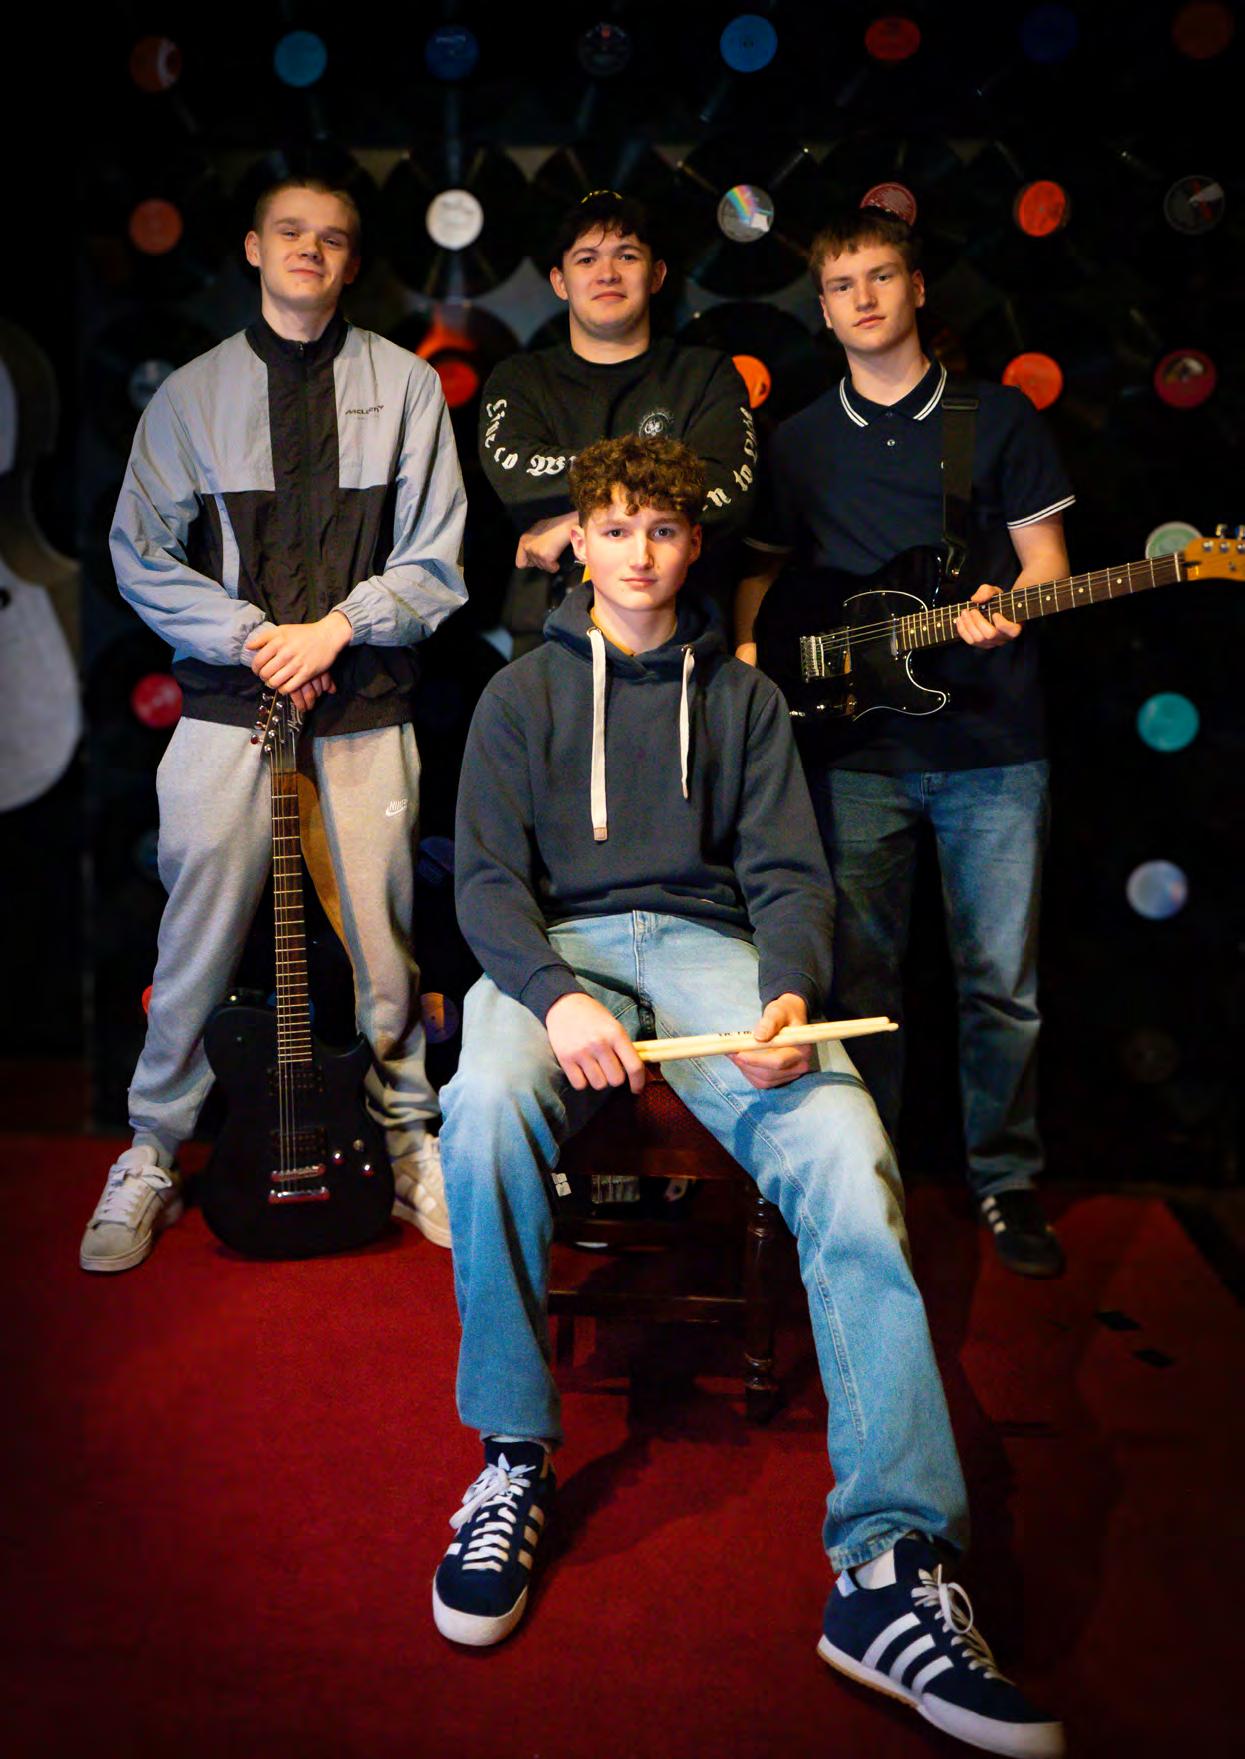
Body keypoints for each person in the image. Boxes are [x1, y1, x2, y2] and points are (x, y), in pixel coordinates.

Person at [430, 434, 1064, 1759]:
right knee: (480, 1102)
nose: (639, 554)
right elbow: (483, 880)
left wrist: (785, 993)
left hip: (712, 948)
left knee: (845, 1141)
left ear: (692, 544)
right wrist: (551, 994)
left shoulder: (745, 696)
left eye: (662, 530)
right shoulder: (517, 694)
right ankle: (511, 1455)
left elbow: (788, 876)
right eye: (615, 529)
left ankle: (889, 1561)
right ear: (579, 543)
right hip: (561, 951)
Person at [79, 176, 467, 1272]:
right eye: (291, 233)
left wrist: (335, 630)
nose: (311, 250)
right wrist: (259, 638)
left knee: (386, 944)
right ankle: (153, 1149)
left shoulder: (407, 386)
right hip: (226, 708)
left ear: (353, 262)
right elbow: (138, 556)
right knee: (194, 938)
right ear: (253, 248)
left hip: (365, 706)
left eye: (332, 239)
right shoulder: (191, 395)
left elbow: (436, 558)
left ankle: (405, 1141)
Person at [736, 207, 1073, 1278]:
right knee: (858, 988)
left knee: (1001, 984)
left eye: (882, 277)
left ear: (917, 288)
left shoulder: (996, 416)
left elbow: (1049, 561)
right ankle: (864, 1174)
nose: (865, 299)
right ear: (822, 307)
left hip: (994, 744)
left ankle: (1005, 1179)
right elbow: (763, 569)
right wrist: (750, 651)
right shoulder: (797, 440)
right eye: (843, 285)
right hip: (854, 754)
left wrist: (1011, 605)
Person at [478, 190, 757, 653]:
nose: (607, 273)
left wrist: (576, 519)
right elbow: (517, 479)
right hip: (548, 640)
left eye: (626, 256)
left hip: (685, 639)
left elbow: (728, 492)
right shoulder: (518, 381)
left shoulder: (707, 375)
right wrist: (661, 490)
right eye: (586, 259)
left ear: (657, 274)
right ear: (560, 281)